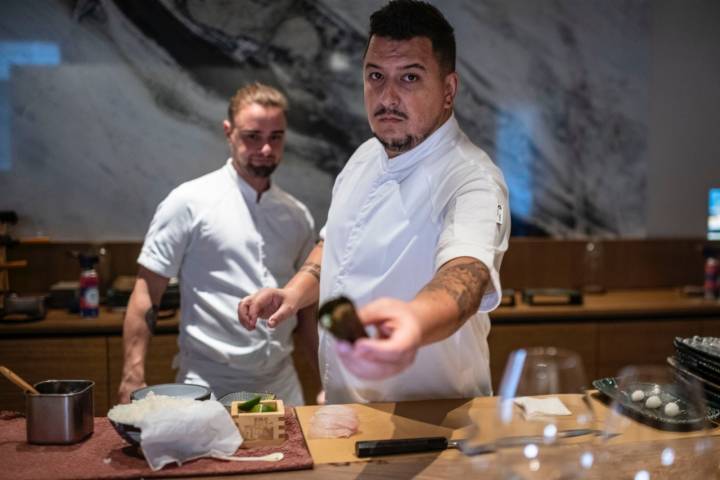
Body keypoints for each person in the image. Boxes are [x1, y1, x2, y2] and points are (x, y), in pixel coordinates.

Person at [238, 0, 510, 404]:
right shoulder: (365, 156)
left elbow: (466, 275)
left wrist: (412, 322)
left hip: (433, 423)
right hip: (349, 409)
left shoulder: (473, 179)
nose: (387, 96)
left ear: (448, 89)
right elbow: (337, 243)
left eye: (410, 78)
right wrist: (294, 293)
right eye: (376, 76)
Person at [118, 83, 317, 405]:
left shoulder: (297, 215)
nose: (266, 148)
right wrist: (132, 376)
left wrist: (325, 380)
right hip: (207, 386)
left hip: (281, 386)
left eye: (275, 137)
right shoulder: (189, 202)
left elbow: (307, 310)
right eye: (253, 136)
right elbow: (146, 293)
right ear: (229, 132)